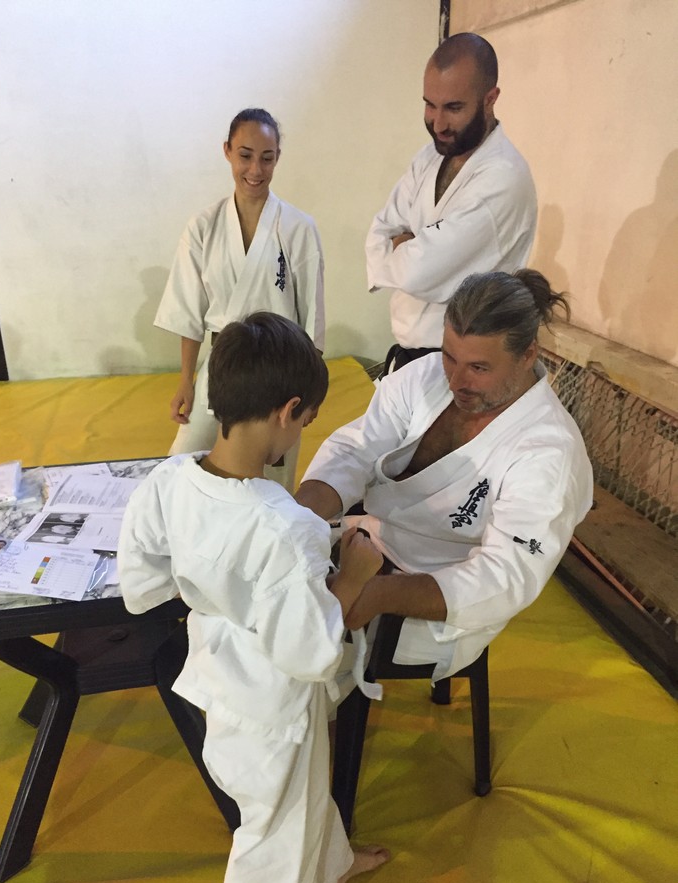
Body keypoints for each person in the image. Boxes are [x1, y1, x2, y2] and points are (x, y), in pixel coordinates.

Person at [118, 313, 389, 883]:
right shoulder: (285, 527)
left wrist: (218, 587)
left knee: (302, 798)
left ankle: (330, 869)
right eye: (306, 420)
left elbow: (141, 583)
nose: (301, 432)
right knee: (270, 836)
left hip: (219, 674)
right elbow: (311, 653)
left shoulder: (170, 479)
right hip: (272, 704)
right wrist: (352, 575)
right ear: (288, 411)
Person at [296, 270, 594, 679]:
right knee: (268, 589)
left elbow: (506, 576)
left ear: (528, 355)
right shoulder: (426, 377)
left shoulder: (548, 450)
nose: (456, 380)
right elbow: (357, 448)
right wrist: (295, 518)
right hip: (369, 543)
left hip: (444, 596)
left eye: (479, 368)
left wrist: (379, 594)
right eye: (449, 356)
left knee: (295, 642)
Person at [154, 108, 325, 491]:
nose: (255, 170)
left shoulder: (298, 228)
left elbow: (312, 316)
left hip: (280, 369)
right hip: (222, 361)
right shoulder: (203, 226)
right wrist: (186, 381)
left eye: (267, 158)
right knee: (183, 464)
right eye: (245, 156)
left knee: (272, 479)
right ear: (227, 151)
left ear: (277, 157)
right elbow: (188, 309)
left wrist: (310, 394)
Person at [366, 32, 537, 374]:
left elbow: (417, 271)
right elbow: (379, 232)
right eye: (430, 104)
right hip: (409, 358)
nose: (438, 123)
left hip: (464, 367)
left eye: (454, 108)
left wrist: (407, 245)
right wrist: (410, 247)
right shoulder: (429, 157)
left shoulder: (502, 178)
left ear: (490, 99)